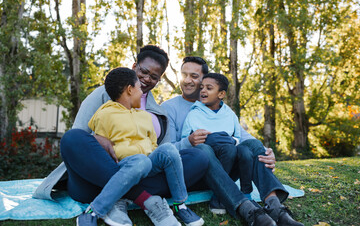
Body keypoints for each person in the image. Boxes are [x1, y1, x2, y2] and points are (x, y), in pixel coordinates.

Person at [33, 46, 209, 226]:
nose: (147, 78)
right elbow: (79, 136)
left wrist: (187, 142)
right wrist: (97, 138)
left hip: (143, 171)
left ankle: (123, 195)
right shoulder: (104, 95)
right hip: (95, 179)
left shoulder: (158, 113)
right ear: (134, 66)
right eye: (143, 71)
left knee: (199, 157)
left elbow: (164, 153)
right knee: (72, 138)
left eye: (154, 76)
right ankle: (144, 198)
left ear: (159, 79)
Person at [161, 57, 304, 226]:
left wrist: (265, 151)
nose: (187, 80)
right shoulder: (168, 108)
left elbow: (243, 137)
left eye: (194, 76)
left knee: (253, 146)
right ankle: (247, 209)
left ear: (204, 80)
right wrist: (189, 142)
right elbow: (164, 150)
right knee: (204, 150)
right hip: (194, 172)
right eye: (184, 75)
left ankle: (275, 207)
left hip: (225, 167)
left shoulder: (218, 107)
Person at [77, 67, 204, 226]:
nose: (142, 93)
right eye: (139, 88)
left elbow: (153, 145)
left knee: (168, 150)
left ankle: (180, 204)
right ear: (129, 90)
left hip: (147, 163)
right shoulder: (105, 114)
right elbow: (100, 149)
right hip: (123, 165)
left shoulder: (145, 116)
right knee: (140, 161)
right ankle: (94, 210)